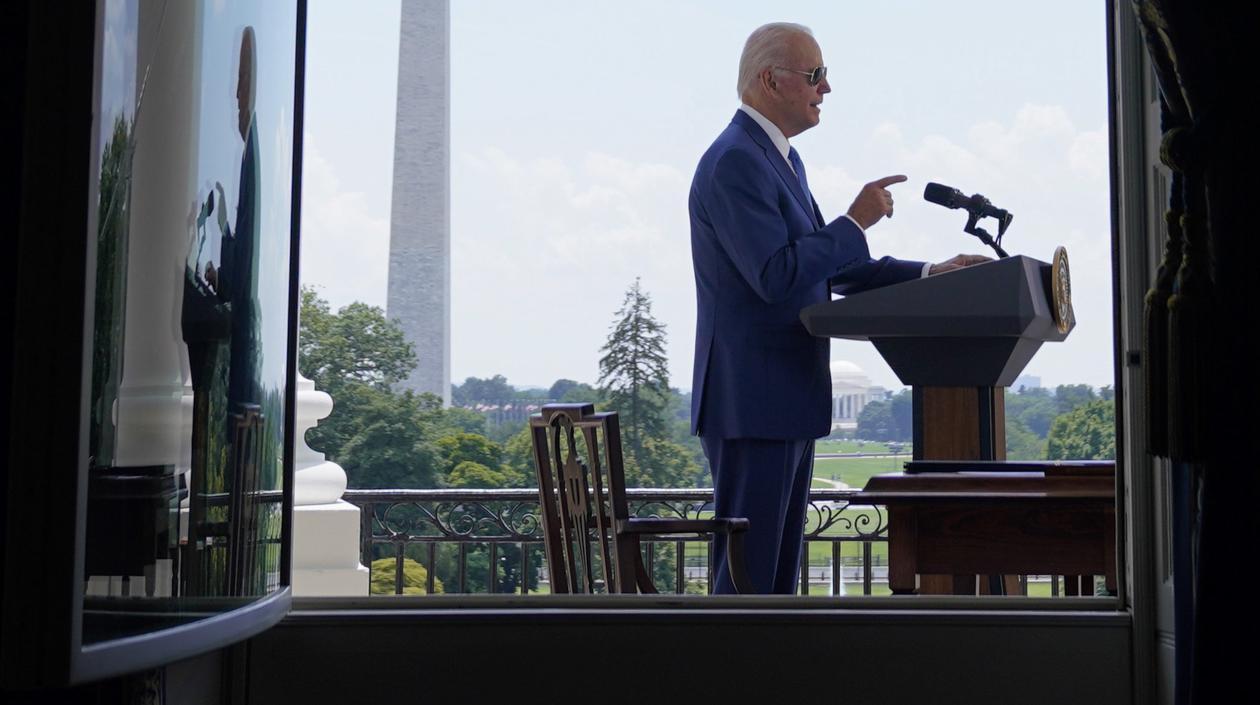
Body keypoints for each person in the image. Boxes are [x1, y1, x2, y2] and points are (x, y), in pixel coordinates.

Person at [689, 22, 987, 594]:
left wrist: (931, 274)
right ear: (770, 80)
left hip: (785, 398)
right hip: (753, 400)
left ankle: (769, 682)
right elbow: (776, 275)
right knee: (750, 585)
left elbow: (830, 266)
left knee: (775, 581)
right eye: (816, 75)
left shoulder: (781, 160)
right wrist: (853, 222)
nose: (826, 89)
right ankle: (730, 683)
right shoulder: (735, 161)